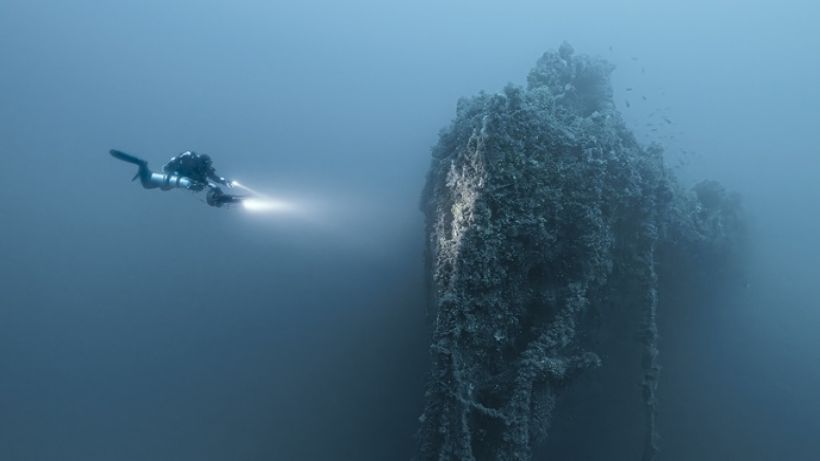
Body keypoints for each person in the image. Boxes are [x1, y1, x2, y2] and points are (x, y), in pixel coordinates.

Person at [162, 151, 231, 191]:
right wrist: (190, 186)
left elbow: (213, 176)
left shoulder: (205, 168)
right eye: (206, 165)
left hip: (190, 180)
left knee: (214, 187)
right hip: (177, 176)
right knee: (164, 187)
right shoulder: (189, 161)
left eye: (209, 165)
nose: (207, 167)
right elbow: (181, 174)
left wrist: (224, 181)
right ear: (202, 163)